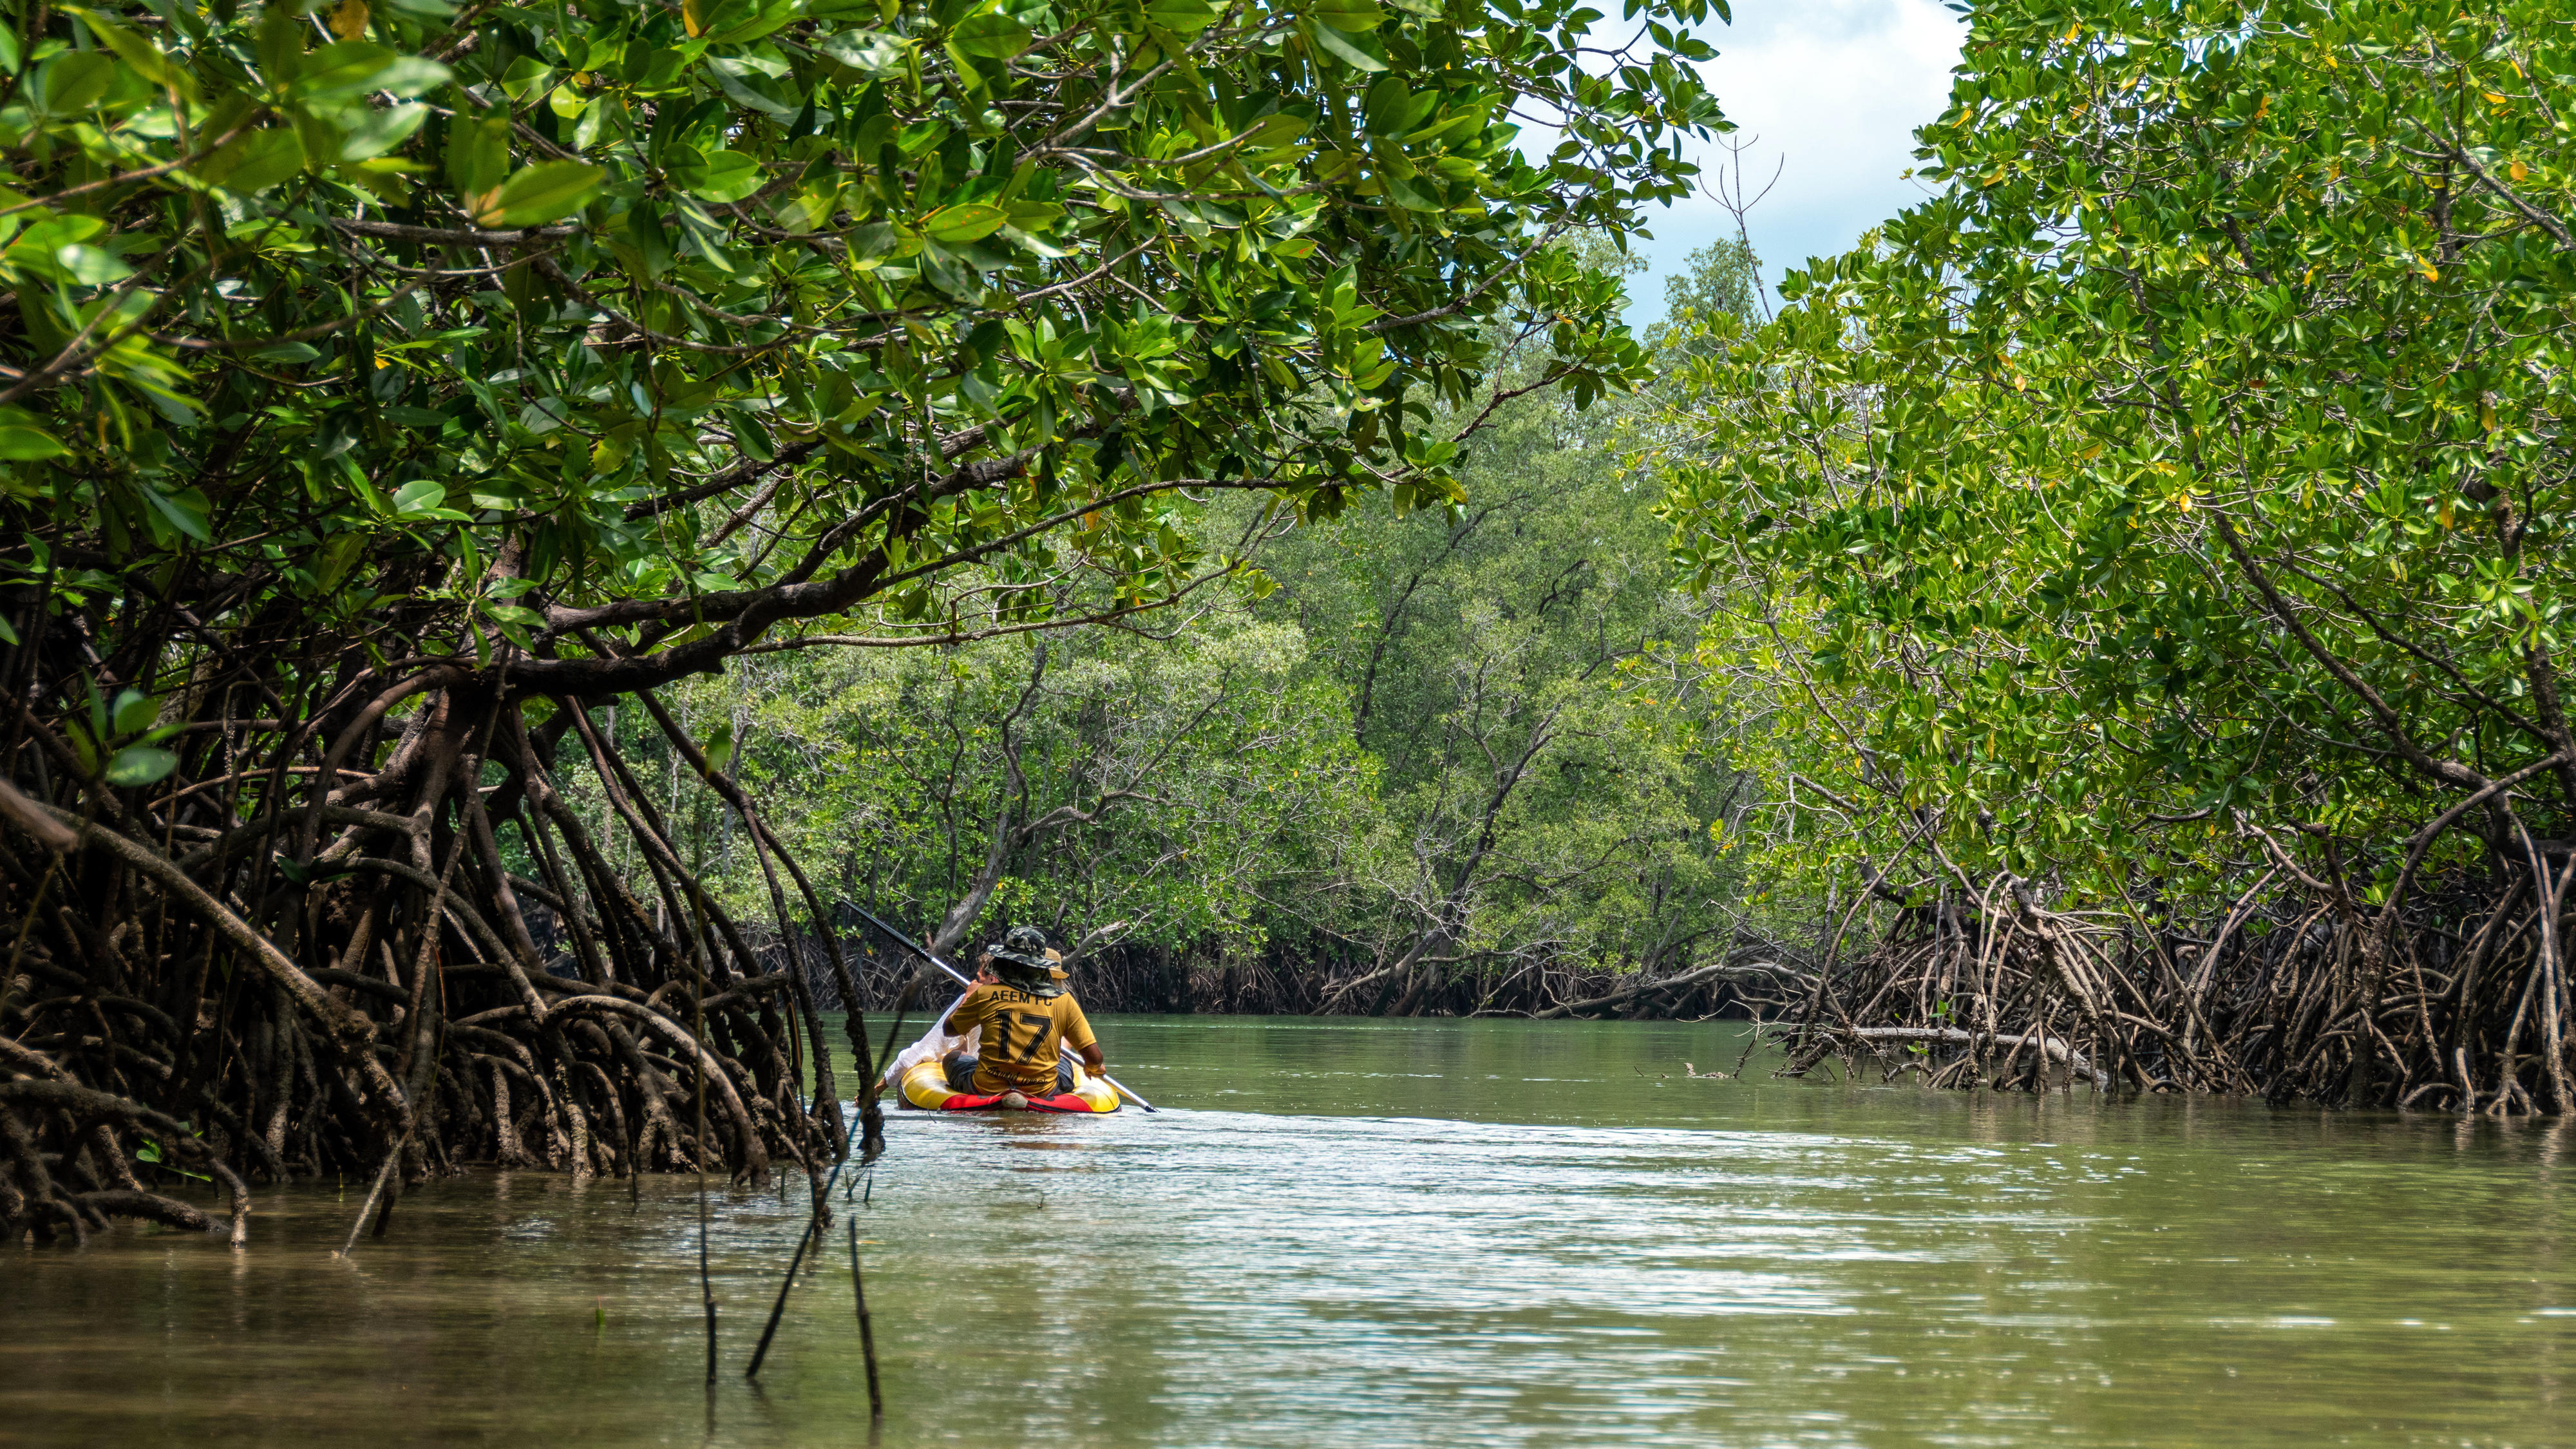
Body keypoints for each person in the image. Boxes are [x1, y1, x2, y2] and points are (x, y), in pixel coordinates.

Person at [940, 926, 1104, 1110]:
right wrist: (1094, 1067)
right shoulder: (1063, 1000)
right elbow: (1095, 1058)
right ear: (1040, 966)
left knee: (952, 1057)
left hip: (987, 1086)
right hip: (1043, 1090)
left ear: (1005, 962)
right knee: (1064, 1061)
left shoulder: (985, 994)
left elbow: (950, 1030)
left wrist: (969, 995)